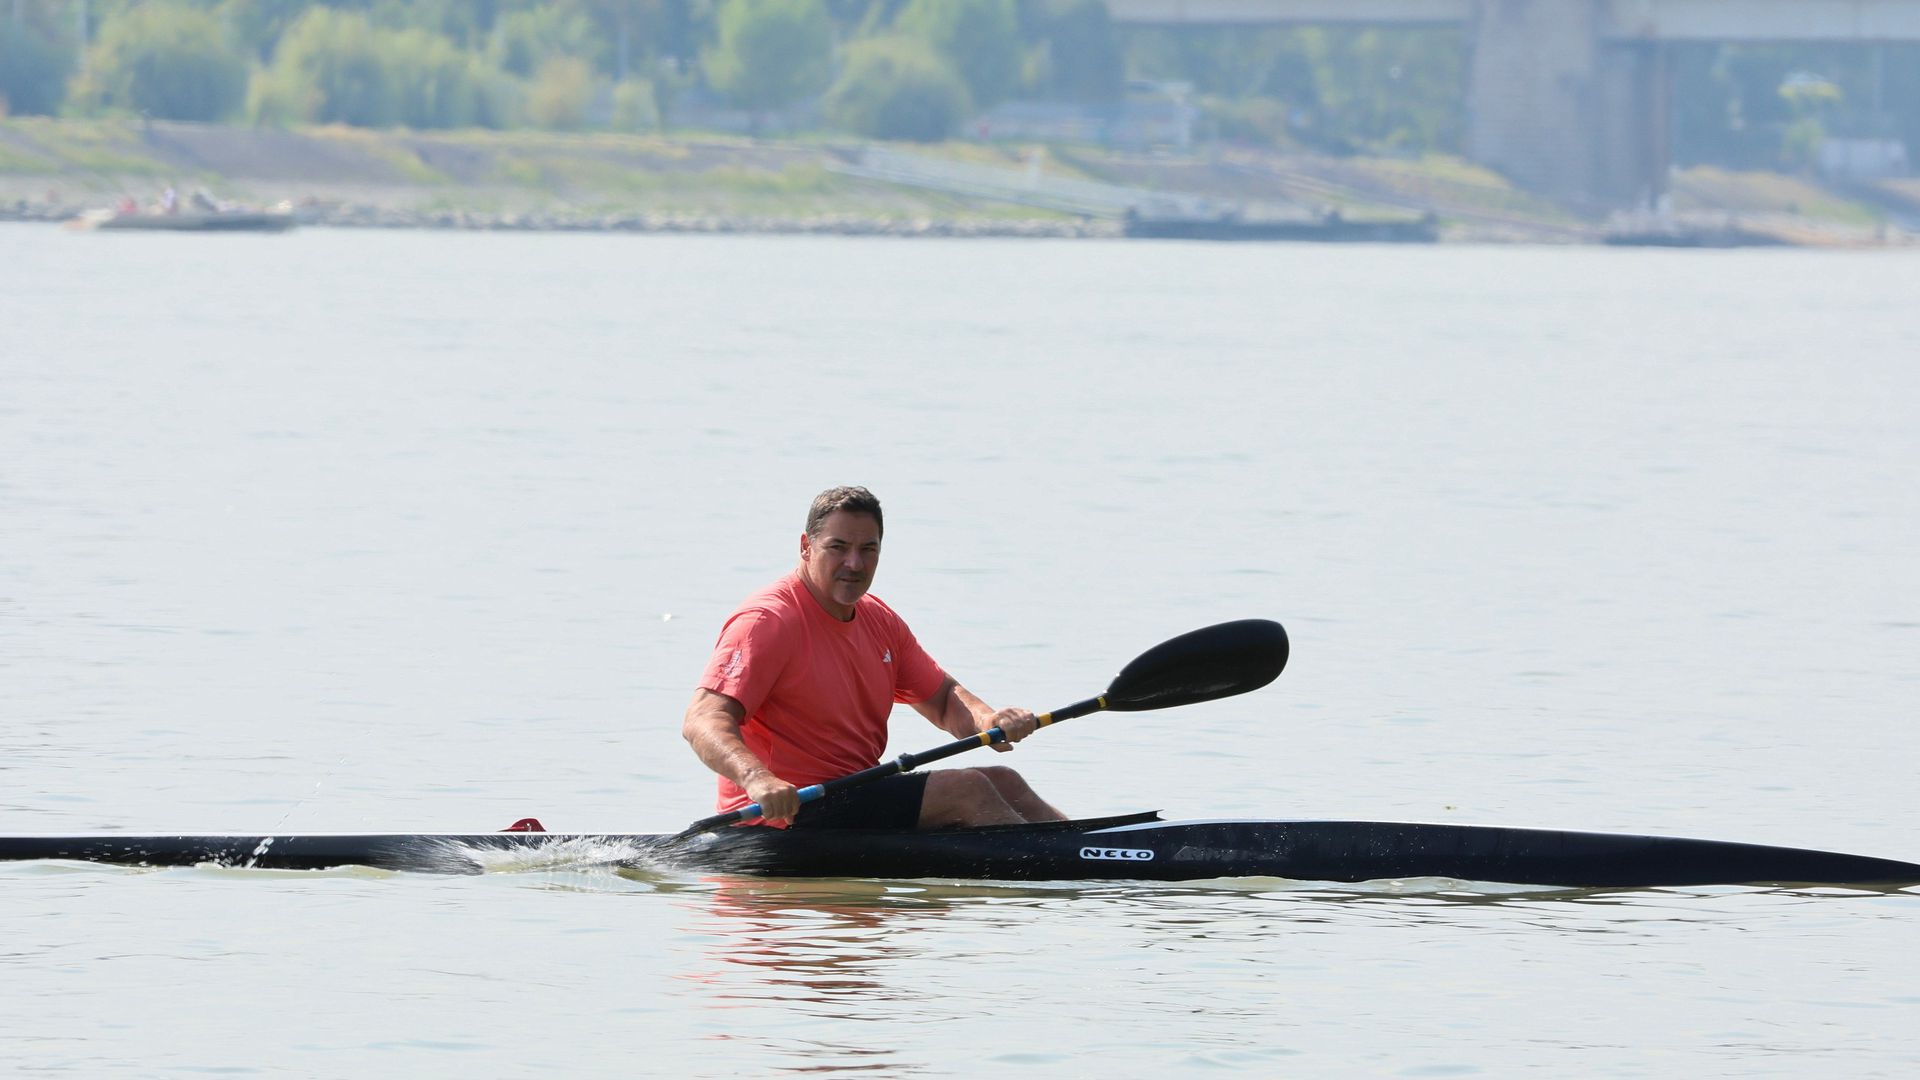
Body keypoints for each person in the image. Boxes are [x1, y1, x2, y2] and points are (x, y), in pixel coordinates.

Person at [683, 486, 1065, 830]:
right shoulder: (769, 621)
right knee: (966, 790)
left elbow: (944, 699)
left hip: (855, 795)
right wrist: (757, 779)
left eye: (868, 549)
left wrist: (990, 720)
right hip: (784, 816)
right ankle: (1060, 873)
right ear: (805, 547)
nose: (855, 563)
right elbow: (702, 719)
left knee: (1005, 781)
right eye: (838, 548)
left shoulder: (879, 620)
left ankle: (1097, 851)